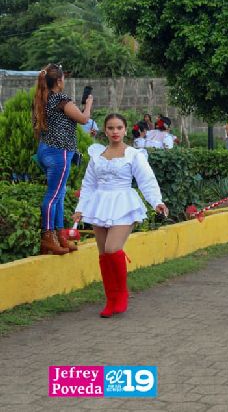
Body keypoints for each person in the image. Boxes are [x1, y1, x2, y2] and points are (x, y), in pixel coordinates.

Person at [72, 114, 168, 317]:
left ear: (125, 130)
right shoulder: (97, 154)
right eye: (110, 128)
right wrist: (80, 208)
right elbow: (88, 184)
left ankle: (122, 294)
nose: (115, 131)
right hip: (99, 204)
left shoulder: (134, 154)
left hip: (124, 204)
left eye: (119, 127)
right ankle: (111, 299)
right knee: (103, 255)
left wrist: (157, 202)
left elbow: (146, 181)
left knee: (112, 249)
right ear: (105, 130)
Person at [32, 64, 93, 255]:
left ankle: (60, 236)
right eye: (63, 78)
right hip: (60, 153)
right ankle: (48, 237)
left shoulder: (42, 99)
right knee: (53, 196)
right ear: (59, 81)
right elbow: (83, 119)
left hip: (44, 151)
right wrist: (89, 103)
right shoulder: (60, 99)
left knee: (59, 194)